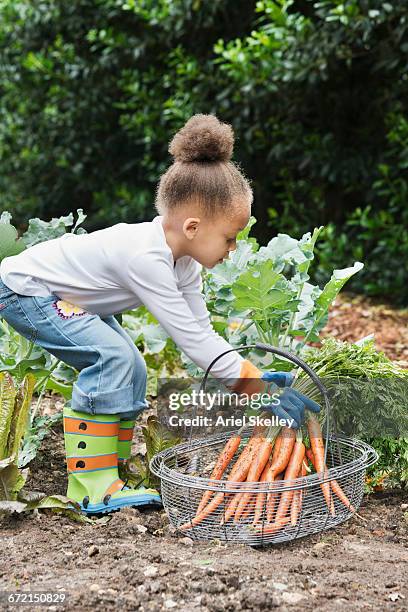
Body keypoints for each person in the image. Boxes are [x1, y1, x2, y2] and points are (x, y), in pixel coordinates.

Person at [0, 114, 319, 515]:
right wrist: (252, 387)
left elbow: (201, 331)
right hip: (26, 290)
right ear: (192, 226)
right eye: (230, 237)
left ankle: (112, 472)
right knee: (109, 358)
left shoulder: (184, 264)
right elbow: (190, 339)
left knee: (131, 363)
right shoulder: (147, 258)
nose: (233, 248)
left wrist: (245, 371)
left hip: (67, 296)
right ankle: (92, 486)